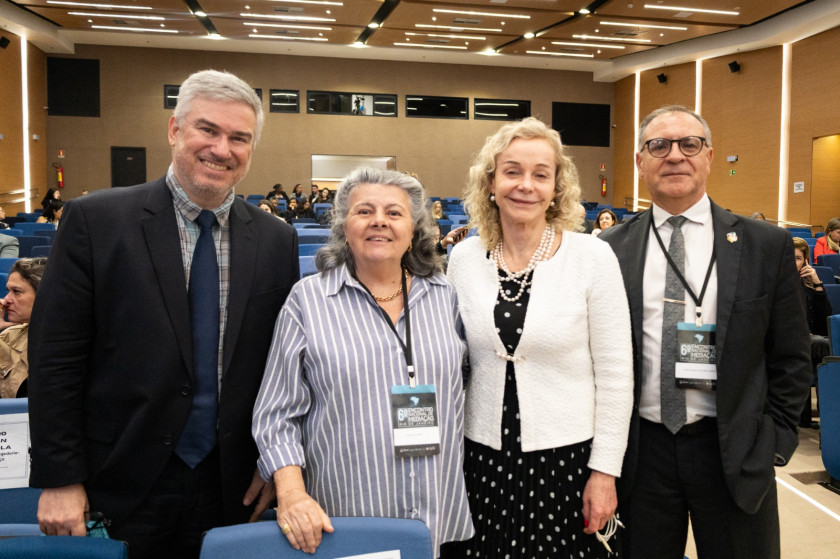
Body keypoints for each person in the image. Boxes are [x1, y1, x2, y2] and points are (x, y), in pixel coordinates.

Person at [27, 69, 299, 559]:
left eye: (240, 138)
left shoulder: (276, 239)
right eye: (208, 130)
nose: (222, 148)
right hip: (120, 476)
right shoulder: (97, 221)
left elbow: (282, 370)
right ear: (174, 130)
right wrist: (60, 476)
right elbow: (55, 359)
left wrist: (275, 463)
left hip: (235, 483)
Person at [599, 105, 811, 559]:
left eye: (688, 144)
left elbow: (790, 355)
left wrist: (774, 441)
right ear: (640, 162)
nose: (675, 155)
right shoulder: (608, 250)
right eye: (659, 145)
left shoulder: (764, 245)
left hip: (732, 449)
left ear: (709, 156)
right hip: (642, 453)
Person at [252, 167, 473, 556]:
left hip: (439, 514)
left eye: (394, 213)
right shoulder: (307, 301)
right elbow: (276, 414)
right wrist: (290, 492)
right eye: (364, 211)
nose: (379, 222)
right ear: (343, 225)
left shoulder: (446, 296)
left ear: (414, 228)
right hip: (347, 518)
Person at [441, 117, 633, 558]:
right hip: (483, 457)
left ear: (556, 187)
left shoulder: (592, 256)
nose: (525, 185)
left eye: (540, 174)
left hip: (566, 461)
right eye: (512, 171)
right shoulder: (465, 257)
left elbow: (617, 376)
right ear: (491, 182)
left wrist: (605, 472)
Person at [793, 237, 831, 429]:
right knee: (826, 346)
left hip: (810, 340)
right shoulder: (774, 284)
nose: (794, 262)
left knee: (824, 343)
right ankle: (831, 419)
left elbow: (826, 318)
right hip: (786, 340)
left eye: (799, 258)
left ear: (806, 261)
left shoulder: (808, 286)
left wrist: (817, 283)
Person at [0, 257, 47, 399]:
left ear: (44, 295)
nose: (6, 299)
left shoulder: (77, 342)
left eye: (16, 291)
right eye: (8, 290)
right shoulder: (7, 336)